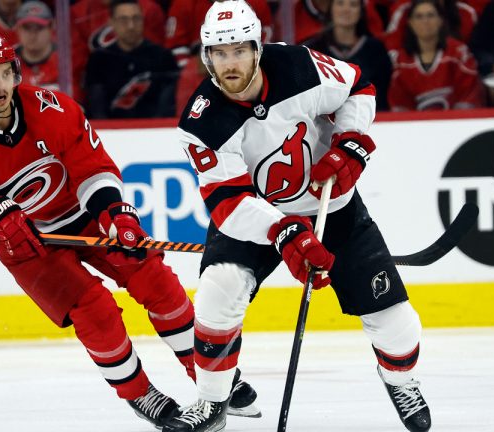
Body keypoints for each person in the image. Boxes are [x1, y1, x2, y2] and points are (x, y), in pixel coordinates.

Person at [0, 31, 257, 430]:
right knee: (95, 311)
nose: (1, 86)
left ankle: (210, 375)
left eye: (5, 73)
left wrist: (117, 214)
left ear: (15, 71)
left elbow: (92, 167)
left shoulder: (52, 109)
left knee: (155, 280)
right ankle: (140, 394)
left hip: (84, 215)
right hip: (26, 242)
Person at [164, 1, 431, 431]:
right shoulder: (201, 121)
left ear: (257, 48)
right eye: (219, 53)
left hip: (332, 208)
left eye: (238, 50)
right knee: (218, 291)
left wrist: (349, 145)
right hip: (257, 215)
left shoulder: (300, 66)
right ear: (205, 56)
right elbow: (228, 203)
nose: (229, 64)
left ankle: (400, 379)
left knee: (396, 324)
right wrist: (286, 231)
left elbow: (358, 87)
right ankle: (212, 402)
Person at [85, 0, 180, 118]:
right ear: (111, 23)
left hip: (155, 131)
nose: (131, 26)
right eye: (123, 20)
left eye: (136, 18)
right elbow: (97, 108)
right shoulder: (99, 60)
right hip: (110, 132)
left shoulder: (163, 57)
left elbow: (167, 106)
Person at [388, 0, 484, 111]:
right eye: (419, 16)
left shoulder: (458, 53)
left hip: (457, 123)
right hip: (417, 126)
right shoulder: (403, 62)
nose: (425, 21)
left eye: (430, 15)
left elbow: (468, 96)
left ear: (440, 20)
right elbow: (400, 104)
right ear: (410, 23)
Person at [304, 0, 393, 110]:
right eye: (340, 3)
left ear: (361, 11)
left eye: (353, 4)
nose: (346, 9)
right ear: (330, 9)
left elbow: (383, 96)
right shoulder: (312, 49)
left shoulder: (376, 50)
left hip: (369, 119)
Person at [13, 0, 82, 100]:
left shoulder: (69, 61)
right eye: (27, 28)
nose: (33, 34)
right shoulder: (7, 64)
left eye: (39, 28)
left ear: (51, 27)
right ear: (18, 29)